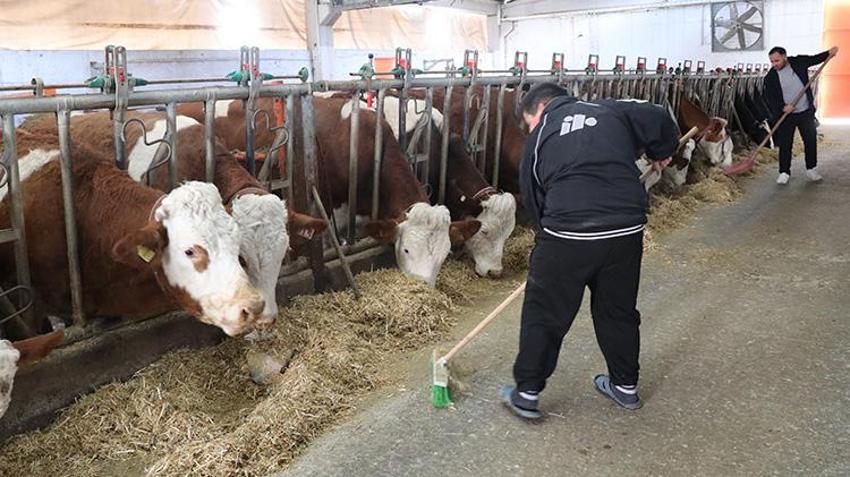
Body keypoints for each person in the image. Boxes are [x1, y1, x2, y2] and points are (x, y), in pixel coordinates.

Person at [500, 83, 678, 420]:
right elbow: (658, 117)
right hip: (625, 227)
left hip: (567, 231)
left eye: (530, 122)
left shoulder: (540, 136)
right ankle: (625, 385)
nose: (531, 129)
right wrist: (662, 151)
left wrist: (547, 242)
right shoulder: (610, 109)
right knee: (617, 309)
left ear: (540, 108)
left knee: (545, 313)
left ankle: (527, 393)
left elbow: (533, 195)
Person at [764, 46, 838, 185]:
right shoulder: (770, 77)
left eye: (777, 61)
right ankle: (784, 172)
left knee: (810, 140)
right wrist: (783, 107)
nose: (774, 64)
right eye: (772, 61)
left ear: (784, 57)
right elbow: (770, 98)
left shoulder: (798, 62)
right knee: (785, 143)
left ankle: (811, 169)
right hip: (787, 115)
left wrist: (829, 53)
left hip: (805, 112)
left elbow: (814, 59)